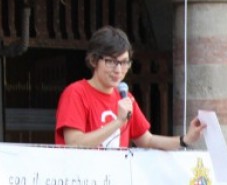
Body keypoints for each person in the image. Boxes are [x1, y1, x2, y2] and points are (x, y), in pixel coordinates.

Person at [56, 26, 205, 150]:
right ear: (94, 60)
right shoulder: (76, 93)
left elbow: (147, 140)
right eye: (111, 62)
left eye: (124, 62)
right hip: (83, 181)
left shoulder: (126, 98)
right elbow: (74, 143)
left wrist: (185, 140)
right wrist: (118, 122)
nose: (118, 70)